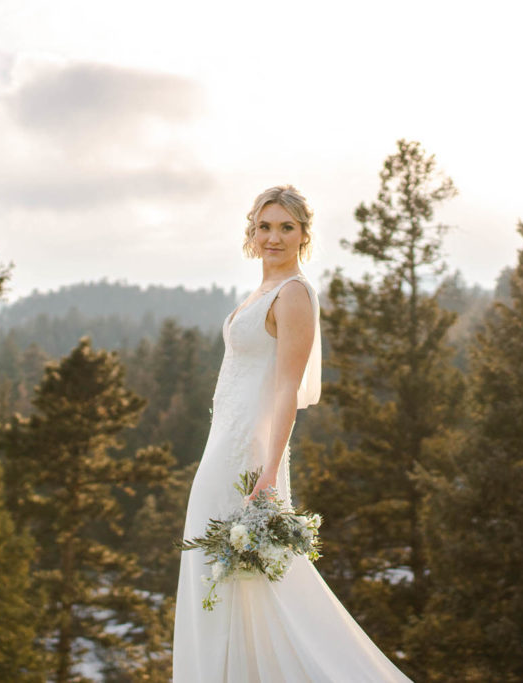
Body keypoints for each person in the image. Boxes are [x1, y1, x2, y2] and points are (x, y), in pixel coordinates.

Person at [172, 185, 414, 682]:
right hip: (222, 446)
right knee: (221, 575)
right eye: (265, 226)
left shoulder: (295, 294)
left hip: (249, 457)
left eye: (286, 227)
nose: (274, 237)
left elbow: (287, 390)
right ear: (251, 232)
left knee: (253, 575)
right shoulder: (261, 291)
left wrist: (266, 473)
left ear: (304, 234)